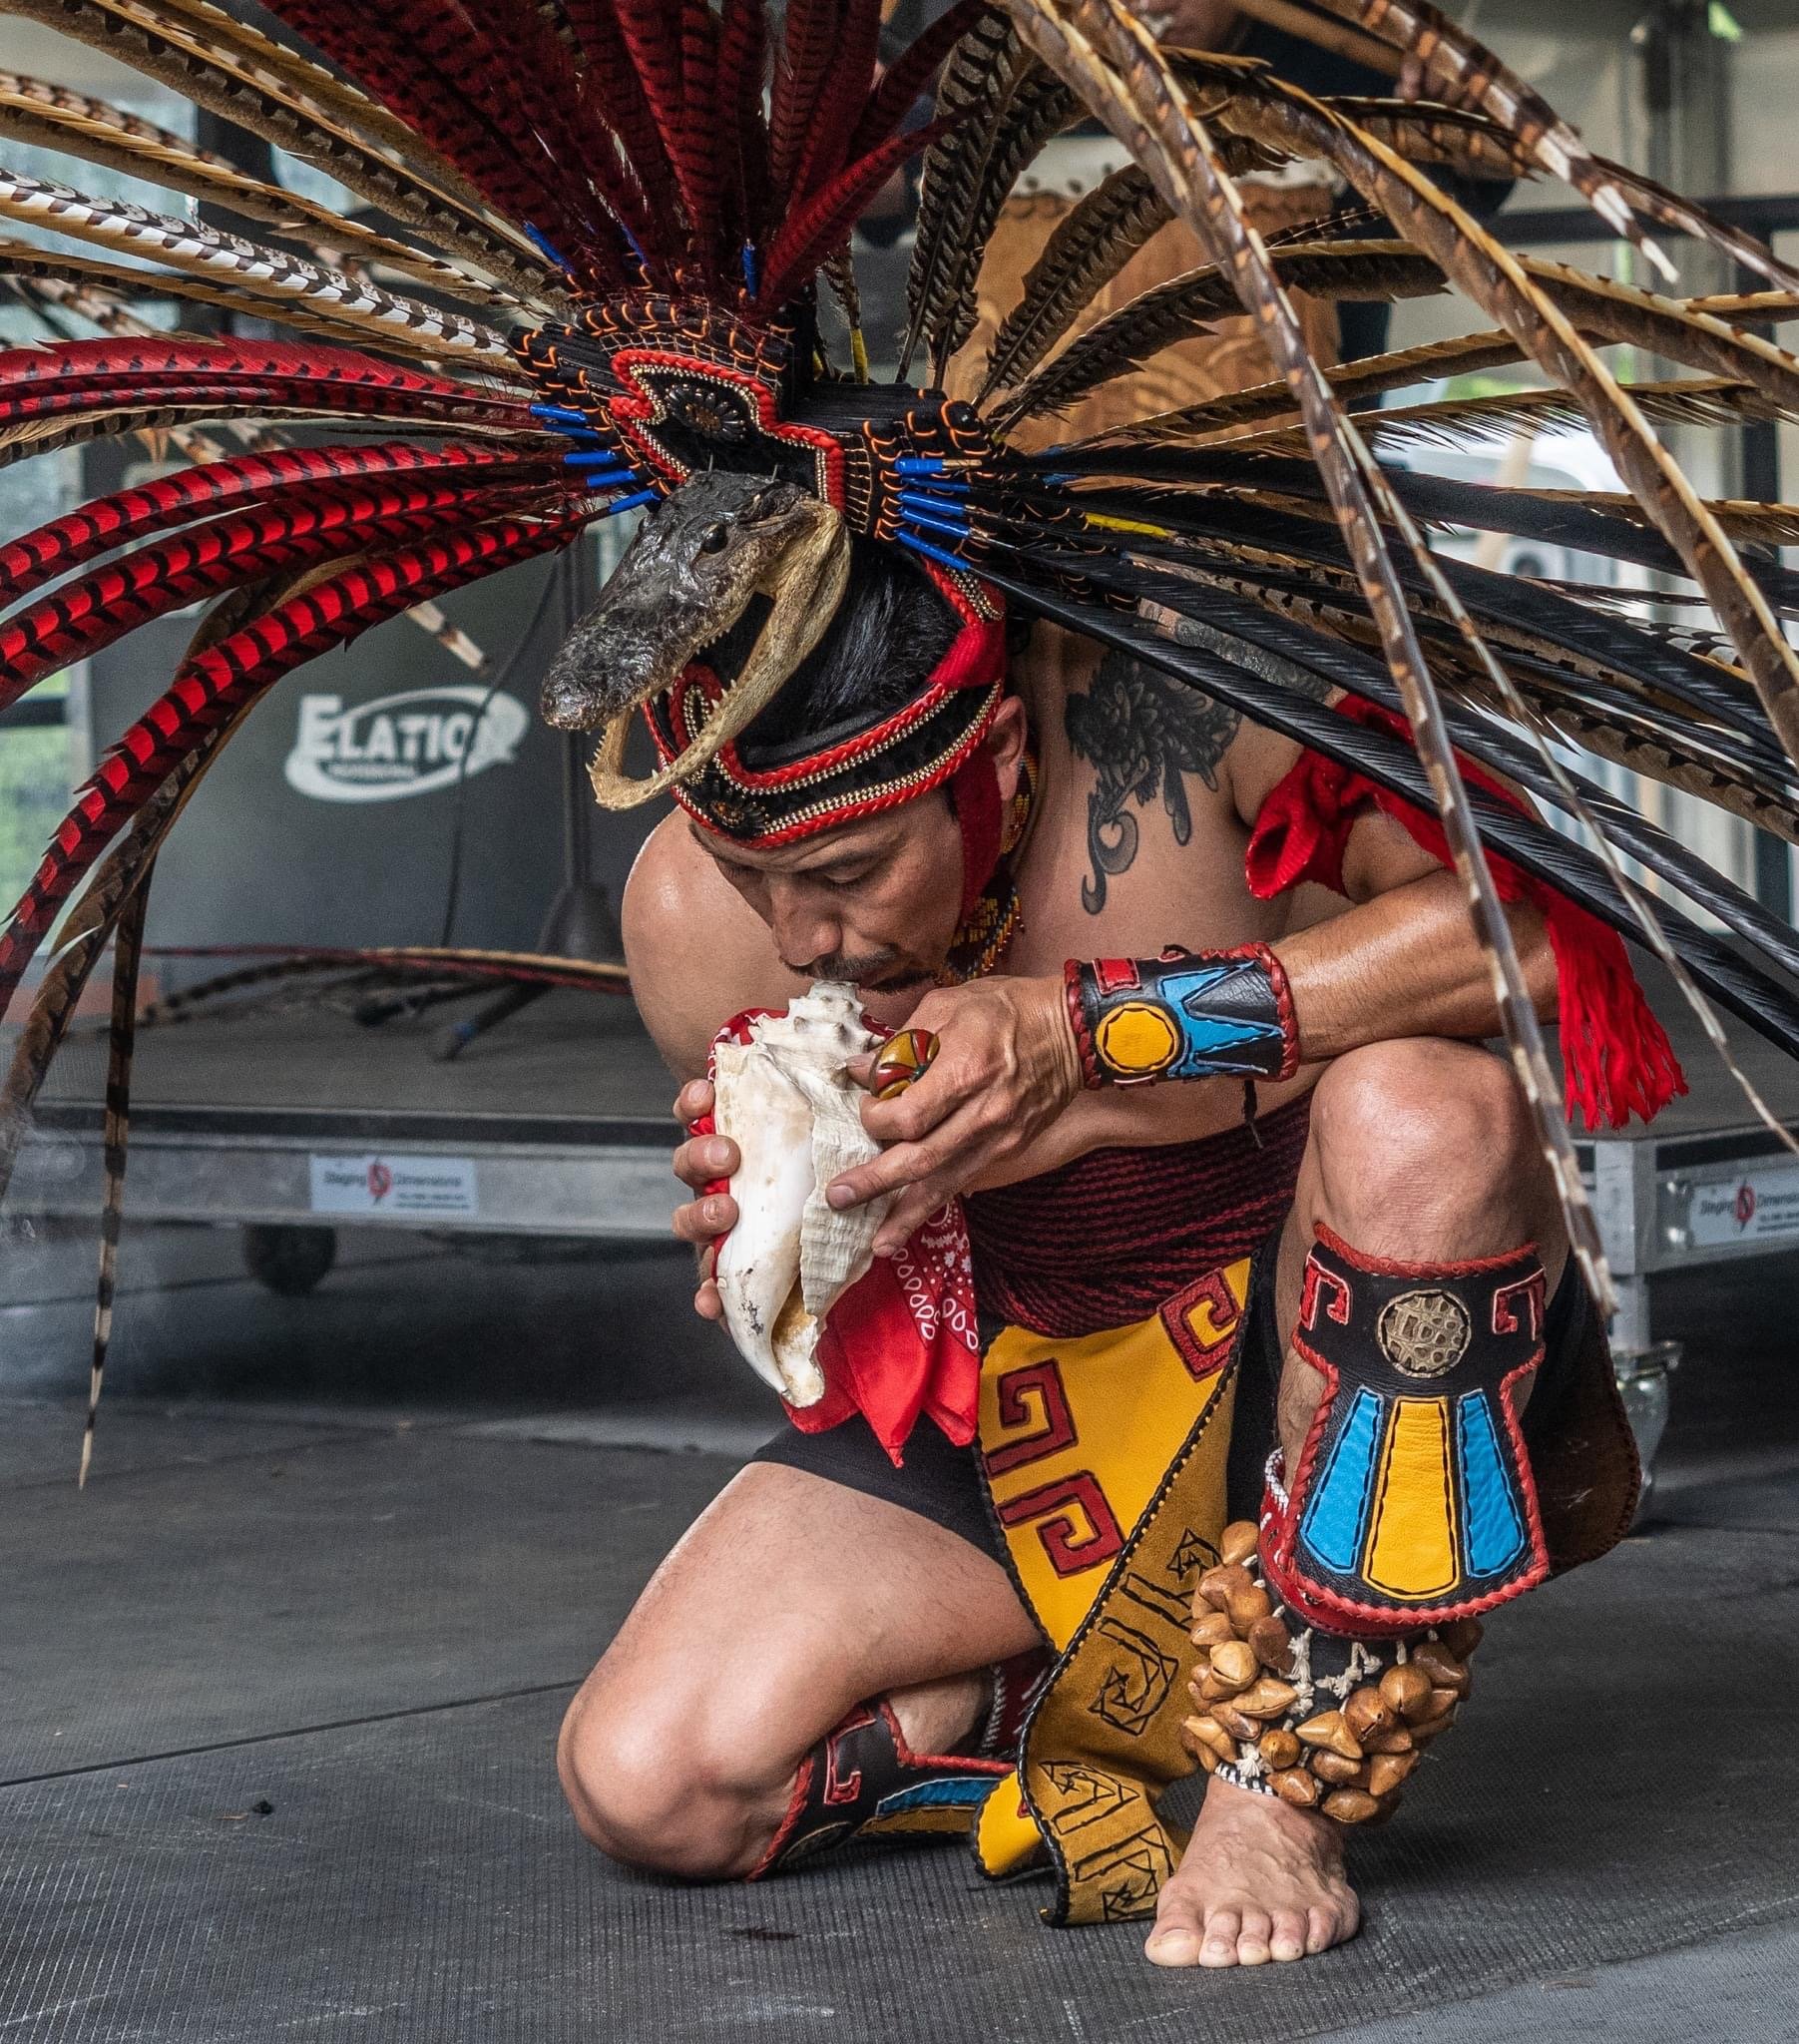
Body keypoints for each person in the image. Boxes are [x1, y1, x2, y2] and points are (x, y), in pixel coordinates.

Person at [555, 542, 1647, 1967]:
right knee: (654, 1781)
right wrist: (791, 1245)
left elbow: (1547, 940)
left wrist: (1092, 1035)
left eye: (847, 871)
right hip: (1035, 1403)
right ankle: (1036, 1689)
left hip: (1312, 1334)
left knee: (1427, 1111)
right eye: (754, 878)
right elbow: (856, 1306)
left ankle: (1280, 1784)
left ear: (995, 755)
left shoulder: (1189, 702)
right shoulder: (686, 923)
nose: (805, 936)